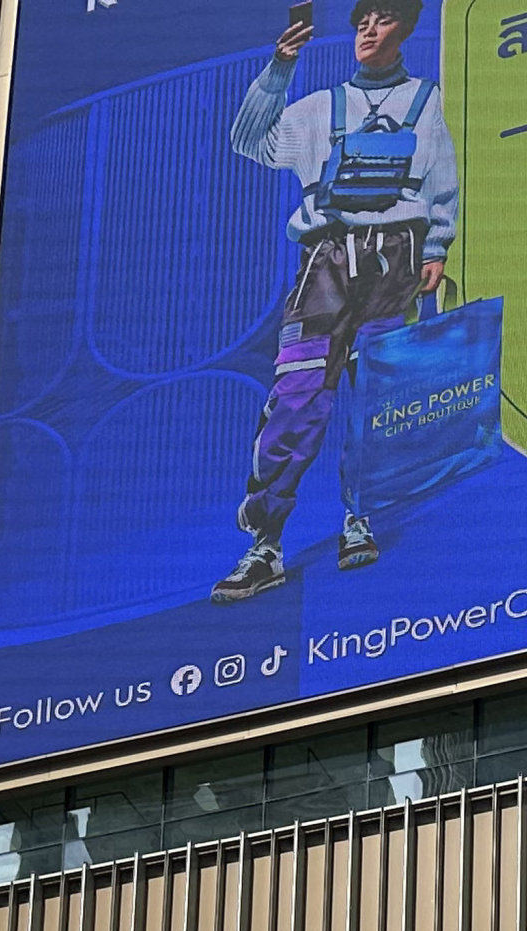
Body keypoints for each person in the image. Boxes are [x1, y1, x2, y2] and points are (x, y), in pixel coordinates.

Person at [213, 0, 457, 600]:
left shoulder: (426, 101)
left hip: (395, 266)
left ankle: (360, 517)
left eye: (384, 19)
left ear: (405, 29)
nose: (369, 30)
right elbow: (249, 142)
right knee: (296, 396)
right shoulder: (319, 107)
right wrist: (280, 68)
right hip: (324, 268)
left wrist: (436, 248)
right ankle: (265, 544)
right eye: (362, 21)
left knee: (377, 396)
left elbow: (441, 182)